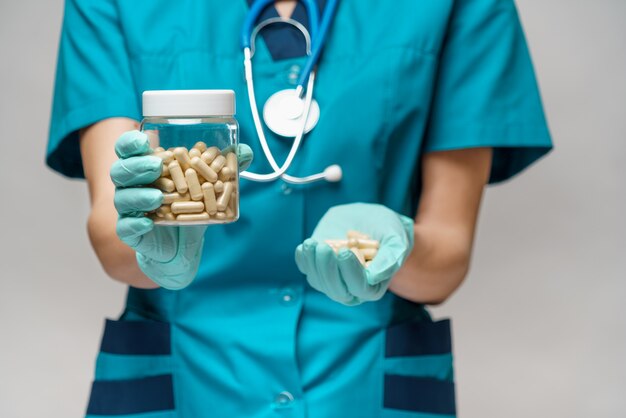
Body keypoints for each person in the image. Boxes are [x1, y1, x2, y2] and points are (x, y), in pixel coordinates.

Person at [47, 0, 552, 416]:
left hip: (361, 383)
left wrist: (395, 245)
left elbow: (445, 264)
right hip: (186, 379)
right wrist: (151, 248)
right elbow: (112, 235)